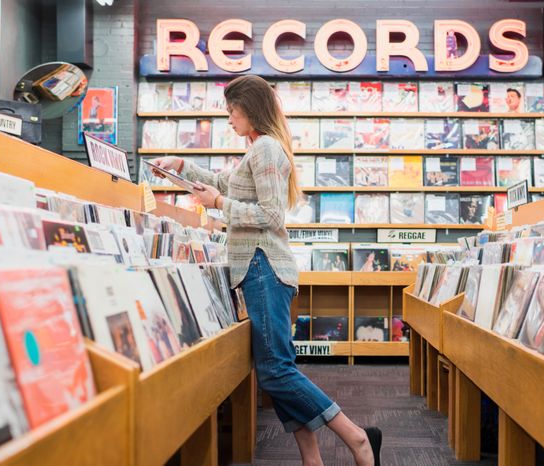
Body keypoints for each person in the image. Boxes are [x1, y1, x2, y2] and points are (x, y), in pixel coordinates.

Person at [150, 75, 381, 466]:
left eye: (231, 111)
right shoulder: (258, 149)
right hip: (259, 268)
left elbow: (270, 215)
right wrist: (183, 168)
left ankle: (358, 438)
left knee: (274, 372)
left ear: (250, 108)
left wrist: (220, 203)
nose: (228, 119)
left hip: (264, 266)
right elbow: (227, 182)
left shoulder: (267, 150)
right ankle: (312, 459)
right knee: (279, 368)